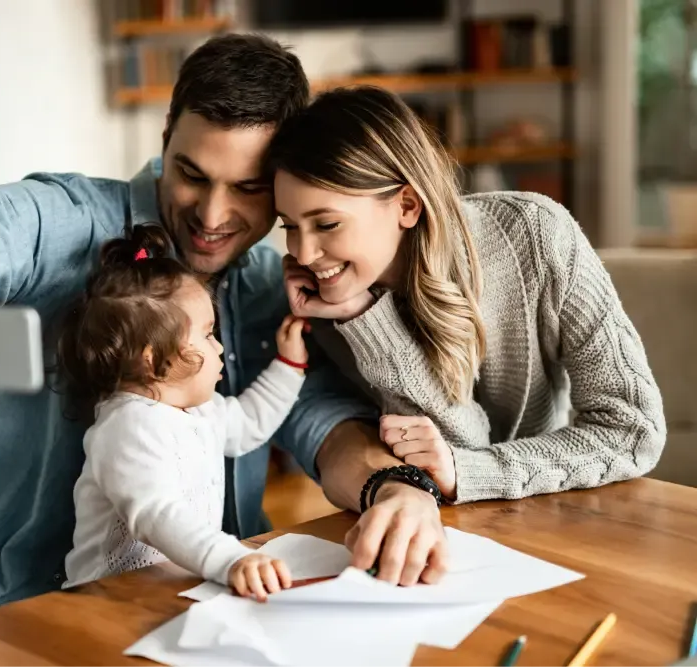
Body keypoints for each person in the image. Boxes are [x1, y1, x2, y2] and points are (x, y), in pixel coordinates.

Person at [0, 35, 448, 624]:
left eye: (249, 188)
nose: (211, 215)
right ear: (167, 135)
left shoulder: (268, 281)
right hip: (0, 609)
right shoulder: (72, 222)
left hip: (192, 610)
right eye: (192, 174)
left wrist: (393, 486)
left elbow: (315, 416)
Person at [267, 85, 666, 507]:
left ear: (406, 206)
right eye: (288, 225)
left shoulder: (537, 236)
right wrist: (367, 321)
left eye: (326, 224)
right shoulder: (328, 307)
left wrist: (469, 472)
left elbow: (634, 430)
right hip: (451, 533)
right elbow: (445, 459)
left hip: (560, 509)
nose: (303, 253)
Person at [59, 225, 307, 601]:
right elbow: (157, 512)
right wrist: (229, 559)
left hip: (167, 588)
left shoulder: (198, 412)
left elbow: (248, 426)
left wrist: (289, 365)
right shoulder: (127, 426)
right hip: (106, 599)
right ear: (153, 358)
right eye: (208, 335)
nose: (220, 348)